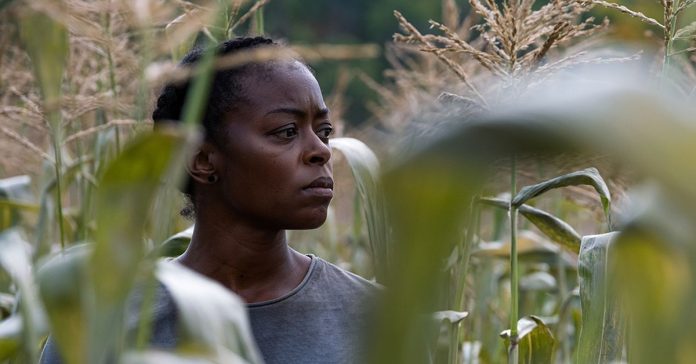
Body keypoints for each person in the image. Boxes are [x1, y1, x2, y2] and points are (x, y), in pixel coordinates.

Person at [40, 36, 379, 364]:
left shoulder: (377, 319)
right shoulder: (101, 328)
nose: (321, 151)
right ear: (202, 160)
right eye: (286, 131)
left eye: (324, 132)